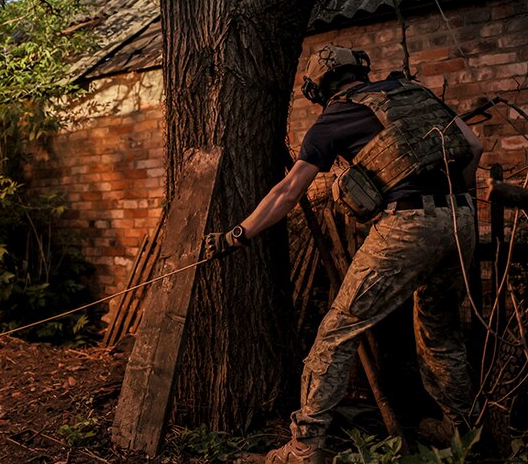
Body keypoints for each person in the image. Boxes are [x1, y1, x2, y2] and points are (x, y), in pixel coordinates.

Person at [204, 45, 484, 464]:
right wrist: (452, 201)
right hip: (462, 220)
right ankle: (463, 433)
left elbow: (287, 191)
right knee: (440, 331)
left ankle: (304, 447)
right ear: (361, 72)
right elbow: (475, 147)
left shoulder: (331, 120)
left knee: (337, 331)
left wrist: (238, 234)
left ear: (318, 89)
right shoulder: (417, 94)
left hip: (408, 224)